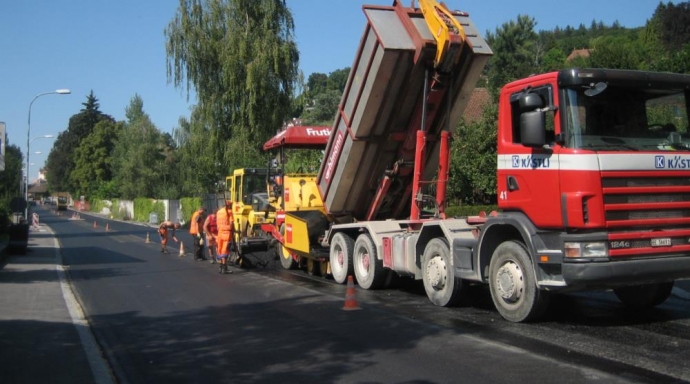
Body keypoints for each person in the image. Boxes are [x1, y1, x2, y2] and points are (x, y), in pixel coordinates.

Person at [215, 200, 235, 274]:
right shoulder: (229, 212)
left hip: (220, 233)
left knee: (220, 250)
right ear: (229, 205)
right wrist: (232, 230)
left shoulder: (219, 212)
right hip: (226, 234)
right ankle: (224, 268)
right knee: (225, 251)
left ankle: (221, 267)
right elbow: (231, 224)